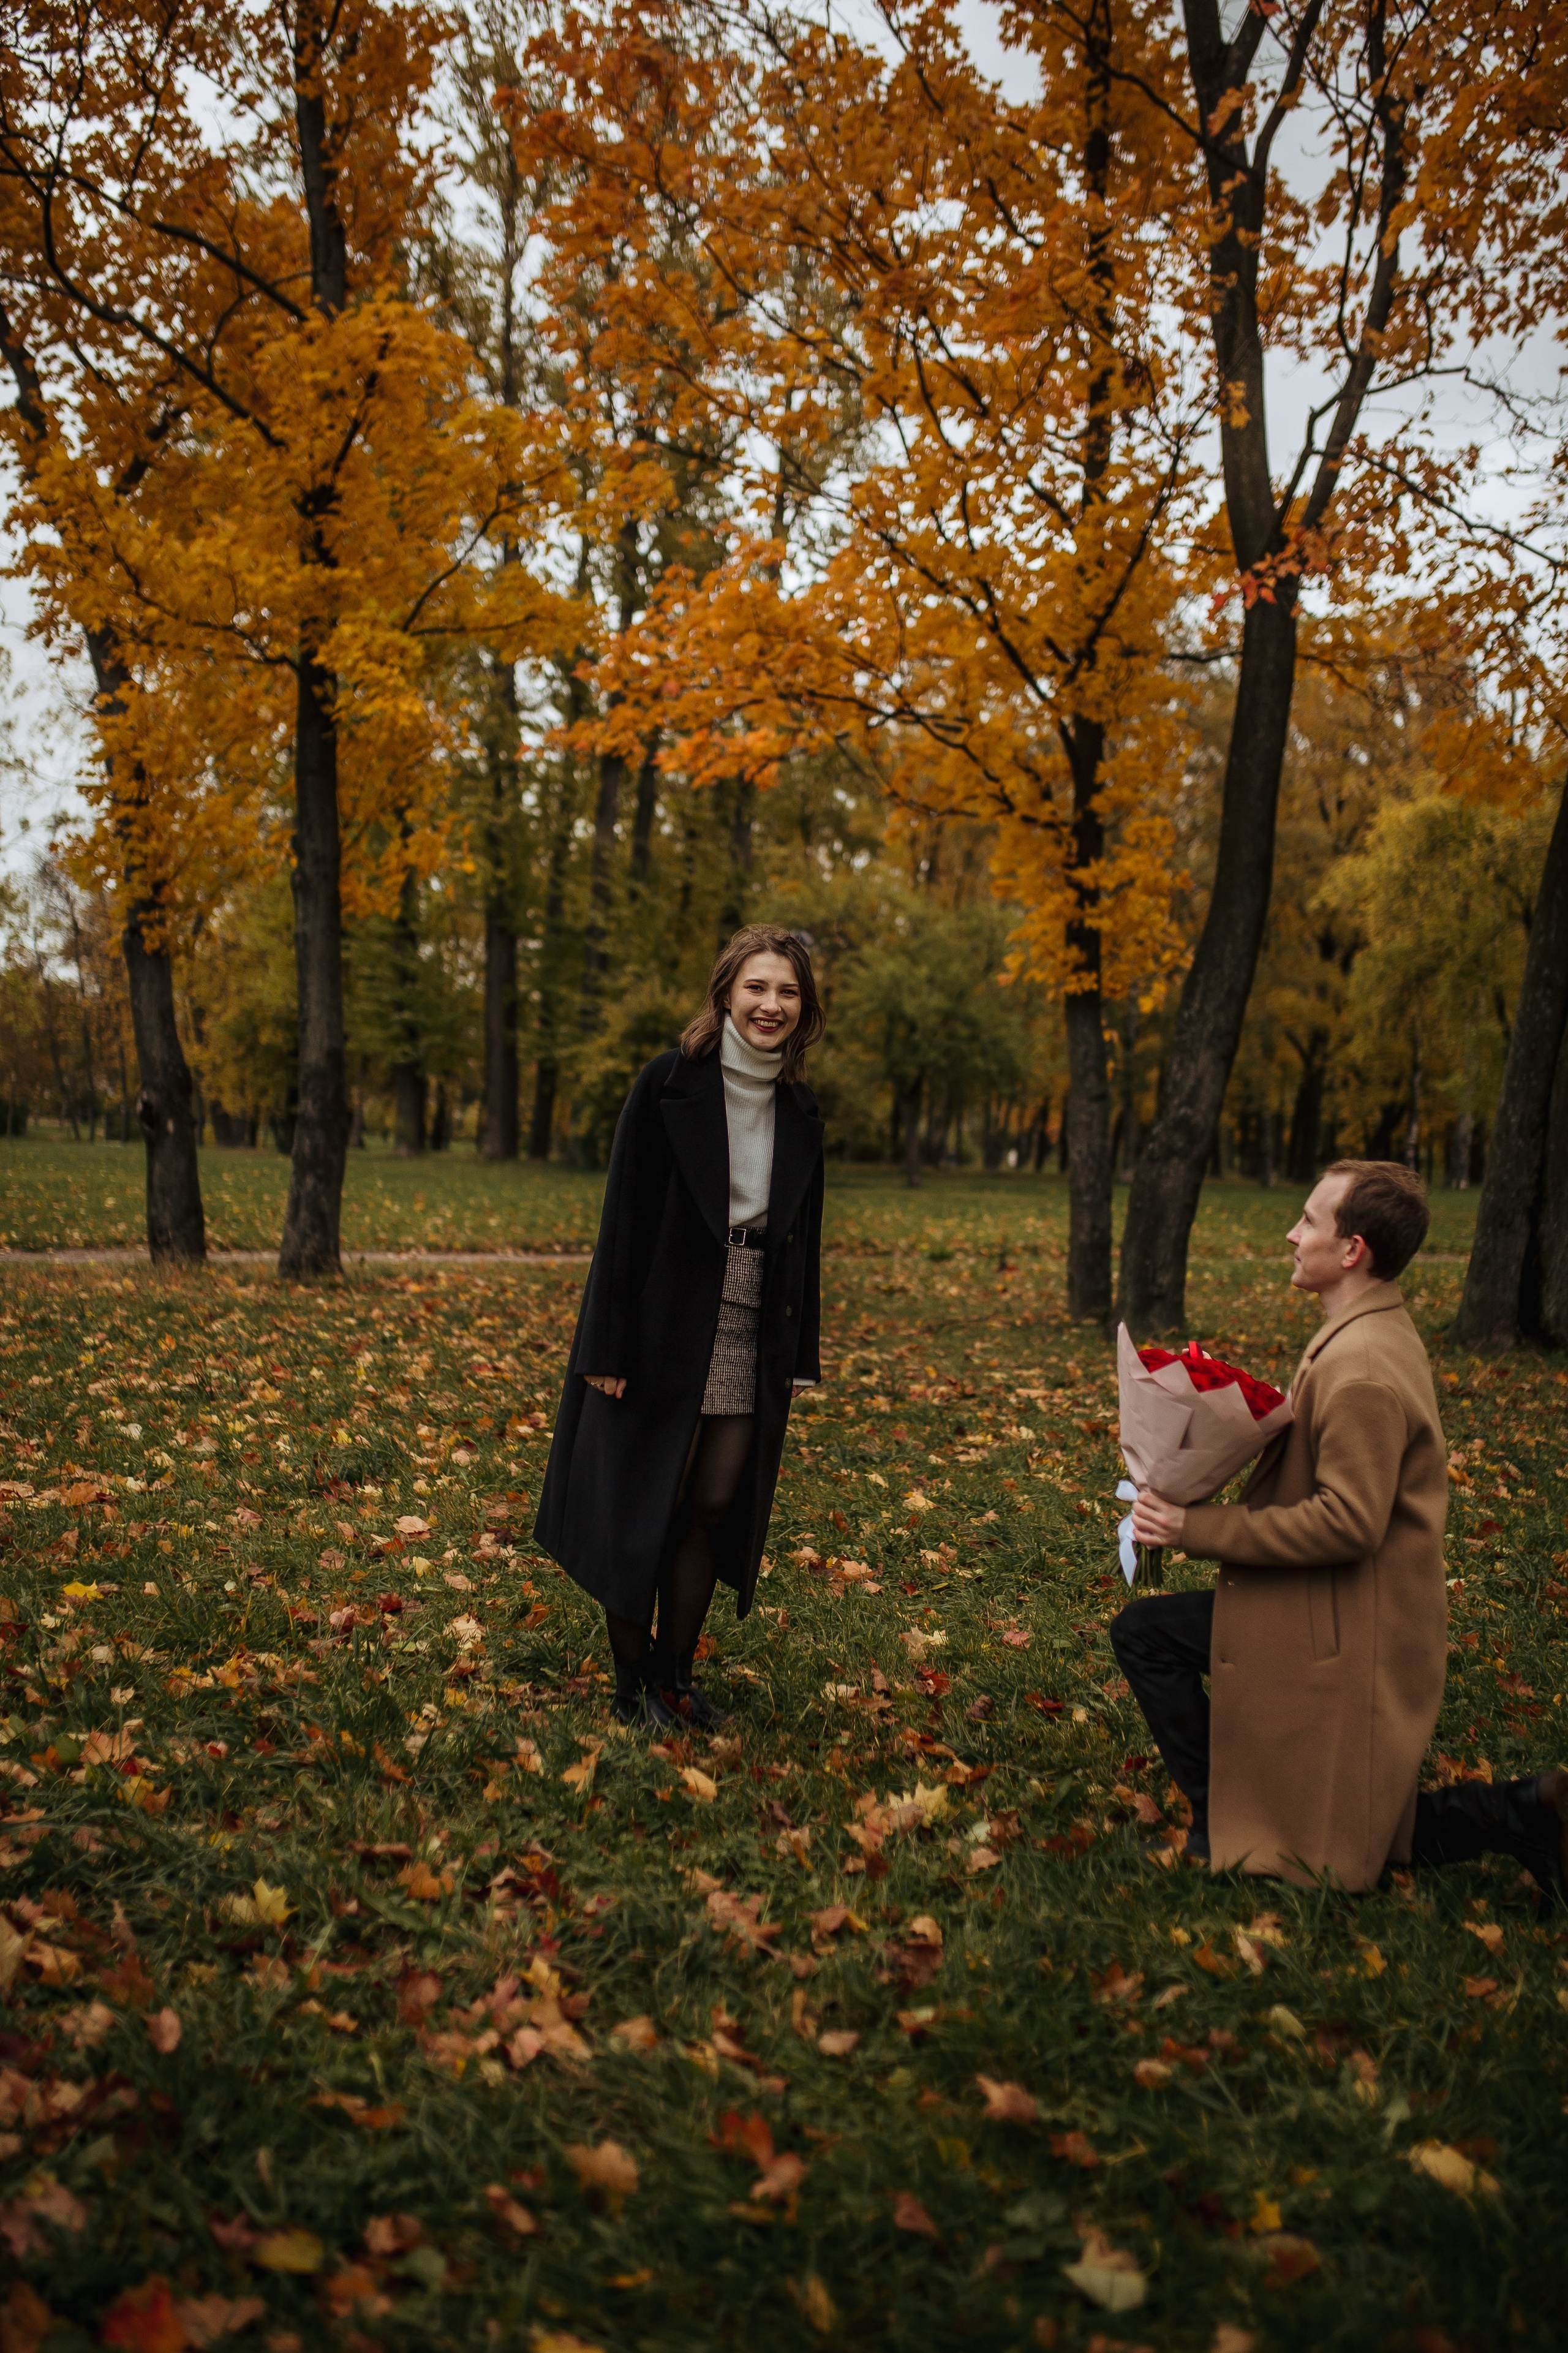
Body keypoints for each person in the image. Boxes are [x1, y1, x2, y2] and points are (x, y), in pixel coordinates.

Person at [1114, 1160, 1567, 1901]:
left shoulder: (1359, 1365)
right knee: (1153, 1635)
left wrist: (1193, 1526)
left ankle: (1227, 1816)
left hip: (1351, 1621)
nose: (1293, 1235)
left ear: (1351, 1250)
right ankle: (1520, 1814)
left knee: (1147, 1637)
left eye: (1309, 1221)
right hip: (1343, 1601)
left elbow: (1349, 1521)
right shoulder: (1367, 1328)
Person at [533, 925, 824, 1726]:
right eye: (758, 987)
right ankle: (630, 1692)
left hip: (748, 1326)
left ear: (805, 1009)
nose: (771, 1005)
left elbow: (803, 1239)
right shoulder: (669, 1082)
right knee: (643, 1507)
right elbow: (621, 1218)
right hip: (660, 1325)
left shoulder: (799, 1108)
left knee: (709, 1507)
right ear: (727, 990)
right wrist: (604, 1345)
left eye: (788, 992)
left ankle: (675, 1680)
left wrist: (798, 1352)